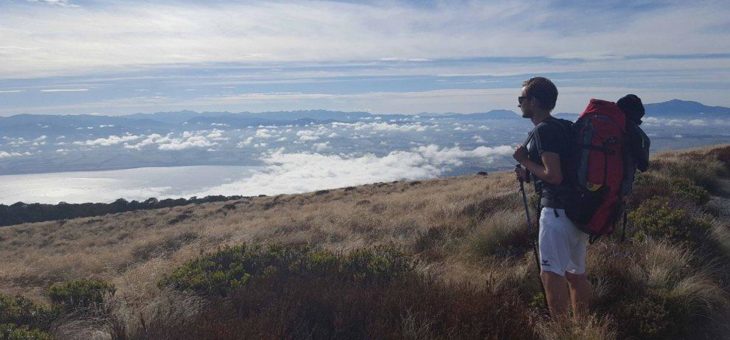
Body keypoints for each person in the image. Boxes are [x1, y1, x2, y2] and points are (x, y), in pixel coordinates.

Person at [512, 77, 591, 319]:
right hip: (577, 213)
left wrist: (524, 161)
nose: (519, 104)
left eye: (521, 99)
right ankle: (583, 327)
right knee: (576, 274)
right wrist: (529, 173)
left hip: (556, 214)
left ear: (534, 101)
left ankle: (561, 331)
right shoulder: (564, 127)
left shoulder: (544, 130)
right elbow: (561, 171)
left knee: (550, 273)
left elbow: (554, 176)